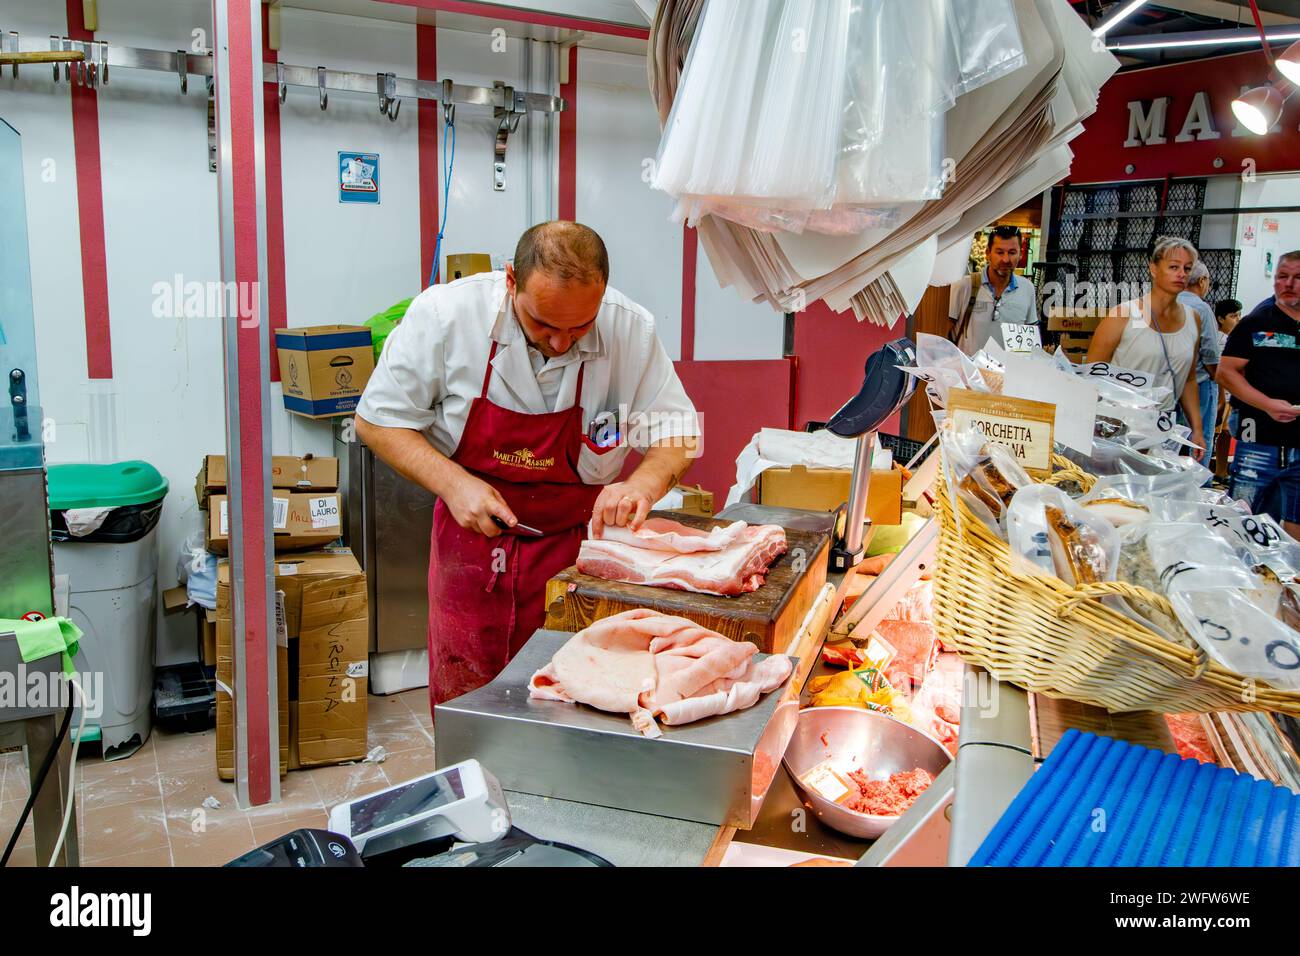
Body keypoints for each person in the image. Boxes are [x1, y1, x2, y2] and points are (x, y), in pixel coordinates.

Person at [355, 221, 701, 707]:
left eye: (579, 327)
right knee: (470, 700)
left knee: (579, 697)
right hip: (472, 543)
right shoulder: (446, 316)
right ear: (511, 280)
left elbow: (678, 432)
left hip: (580, 552)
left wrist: (641, 486)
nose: (561, 343)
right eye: (544, 325)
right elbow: (376, 420)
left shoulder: (630, 329)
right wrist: (454, 485)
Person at [1085, 236, 1204, 460]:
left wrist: (1197, 429)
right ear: (1153, 269)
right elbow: (1093, 373)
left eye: (1187, 268)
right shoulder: (1124, 314)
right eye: (1173, 267)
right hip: (1117, 425)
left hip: (1163, 425)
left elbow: (1188, 379)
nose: (1181, 274)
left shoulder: (1193, 319)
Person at [1216, 251, 1300, 536]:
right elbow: (1226, 372)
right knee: (1246, 521)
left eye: (1298, 277)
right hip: (1259, 442)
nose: (1288, 284)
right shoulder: (1255, 322)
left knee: (1295, 526)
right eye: (1282, 277)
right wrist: (1267, 404)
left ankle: (1287, 578)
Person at [948, 224, 1039, 355]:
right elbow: (944, 335)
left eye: (1012, 252)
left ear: (1020, 254)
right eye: (1000, 252)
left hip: (1009, 373)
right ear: (988, 253)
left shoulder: (1027, 289)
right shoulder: (963, 286)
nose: (1006, 259)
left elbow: (1027, 343)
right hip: (970, 373)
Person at [1177, 259, 1222, 457]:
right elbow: (1211, 354)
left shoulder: (1166, 303)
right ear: (1202, 280)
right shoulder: (1201, 309)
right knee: (1198, 441)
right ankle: (1198, 485)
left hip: (1166, 386)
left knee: (1170, 441)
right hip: (1199, 385)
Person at [1212, 298, 1242, 479]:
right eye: (1233, 316)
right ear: (1221, 318)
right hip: (1220, 394)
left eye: (1239, 315)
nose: (1237, 319)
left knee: (1226, 434)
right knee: (1213, 434)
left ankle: (1221, 471)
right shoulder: (1218, 339)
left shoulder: (1234, 338)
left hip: (1232, 395)